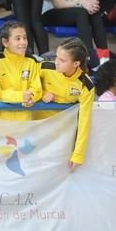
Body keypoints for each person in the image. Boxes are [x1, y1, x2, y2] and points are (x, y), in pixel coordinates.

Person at [36, 38, 95, 171]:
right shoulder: (44, 68)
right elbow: (28, 84)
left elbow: (84, 121)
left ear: (76, 64)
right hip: (37, 130)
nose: (56, 62)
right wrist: (42, 93)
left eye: (62, 60)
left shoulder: (86, 86)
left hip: (61, 136)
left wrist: (78, 155)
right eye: (57, 57)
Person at [0, 22, 42, 121]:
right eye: (18, 38)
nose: (23, 42)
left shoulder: (32, 61)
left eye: (25, 38)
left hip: (24, 122)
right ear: (5, 42)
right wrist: (21, 97)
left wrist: (31, 96)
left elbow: (37, 88)